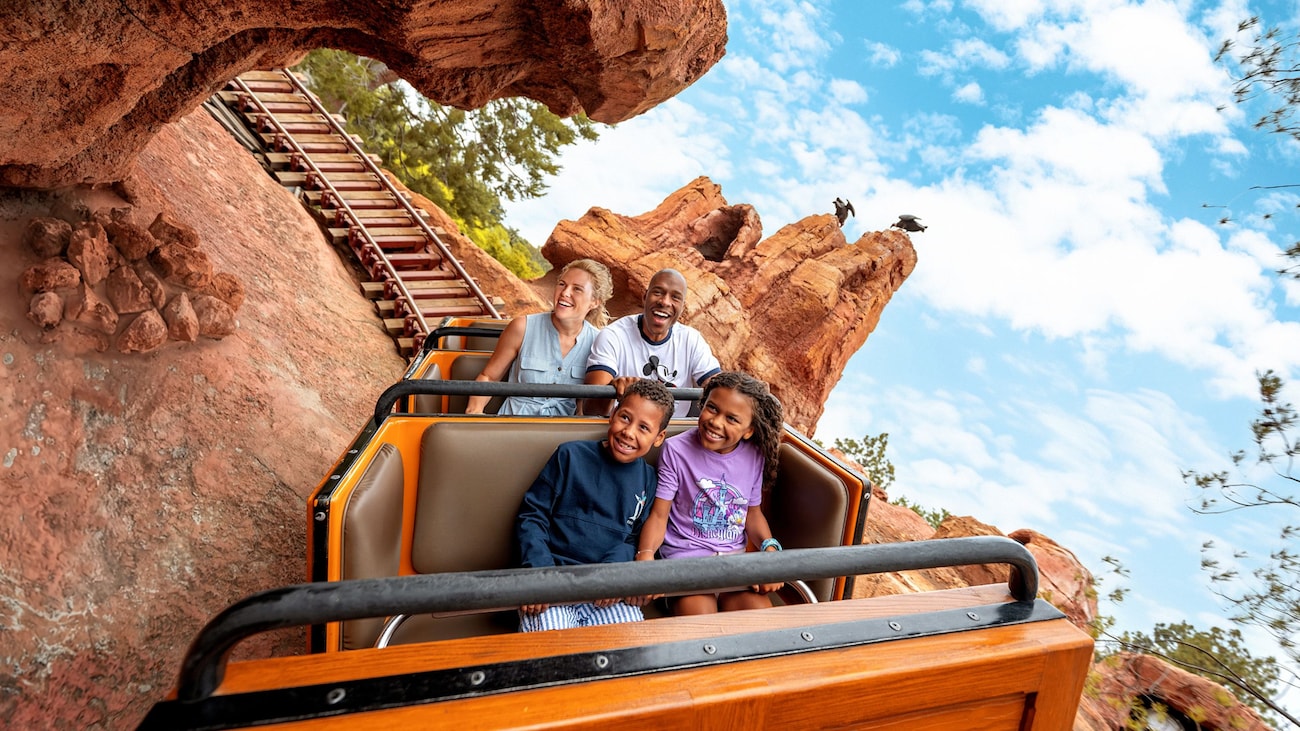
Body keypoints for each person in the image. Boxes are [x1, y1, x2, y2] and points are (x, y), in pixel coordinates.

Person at [514, 379, 675, 631]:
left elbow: (634, 539)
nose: (629, 432)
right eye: (625, 418)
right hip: (554, 582)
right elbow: (533, 516)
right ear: (613, 413)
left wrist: (613, 575)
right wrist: (540, 574)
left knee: (628, 648)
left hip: (607, 591)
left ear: (659, 437)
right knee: (554, 652)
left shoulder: (650, 480)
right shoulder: (570, 456)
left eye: (644, 428)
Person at [635, 371, 785, 615]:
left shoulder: (754, 456)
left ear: (748, 430)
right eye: (712, 408)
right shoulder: (676, 450)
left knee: (761, 620)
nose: (716, 422)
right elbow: (660, 515)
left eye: (732, 419)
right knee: (701, 623)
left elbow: (752, 513)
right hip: (686, 560)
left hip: (734, 563)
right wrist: (646, 555)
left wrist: (769, 549)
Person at [466, 258, 613, 416]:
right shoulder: (522, 327)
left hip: (562, 433)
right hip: (513, 425)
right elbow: (489, 377)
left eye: (577, 289)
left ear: (594, 302)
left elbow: (585, 403)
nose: (565, 293)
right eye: (562, 284)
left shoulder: (599, 343)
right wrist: (474, 411)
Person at [582, 268, 720, 417]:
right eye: (658, 293)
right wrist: (614, 387)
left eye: (675, 297)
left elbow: (720, 390)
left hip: (671, 435)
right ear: (644, 296)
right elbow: (592, 410)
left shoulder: (691, 340)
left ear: (682, 308)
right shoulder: (613, 336)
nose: (665, 302)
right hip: (622, 432)